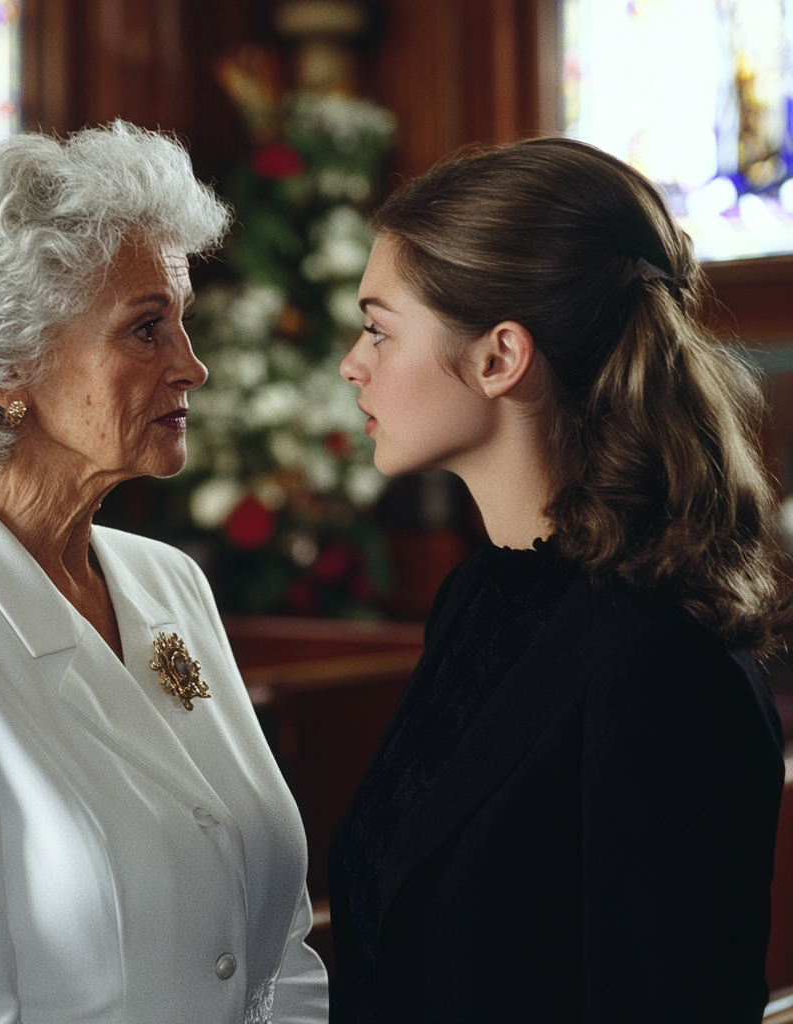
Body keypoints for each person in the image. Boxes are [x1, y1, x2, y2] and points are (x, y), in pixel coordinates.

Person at [0, 123, 328, 1024]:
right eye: (147, 328)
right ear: (1, 367)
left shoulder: (168, 583)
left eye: (183, 321)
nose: (192, 366)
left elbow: (281, 957)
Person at [331, 137, 787, 1023]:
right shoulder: (478, 599)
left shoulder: (663, 669)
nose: (354, 361)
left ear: (500, 357)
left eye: (380, 328)